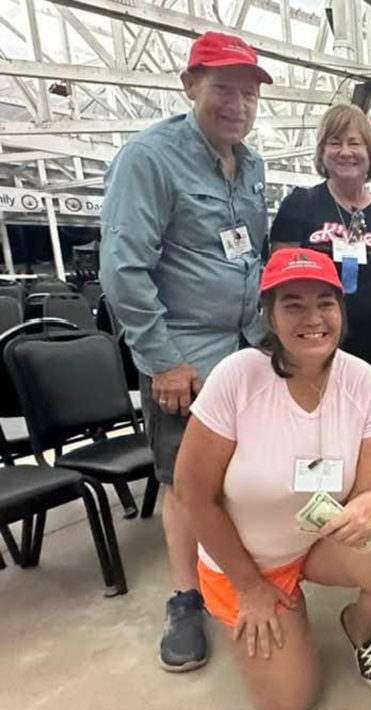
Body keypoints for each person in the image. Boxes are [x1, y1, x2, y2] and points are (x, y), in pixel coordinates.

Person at [174, 247, 371, 710]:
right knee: (288, 706)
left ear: (341, 309)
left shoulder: (367, 383)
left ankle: (357, 624)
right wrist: (249, 586)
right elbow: (194, 496)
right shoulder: (237, 378)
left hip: (317, 541)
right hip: (246, 561)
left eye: (325, 302)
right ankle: (261, 611)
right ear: (269, 314)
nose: (313, 318)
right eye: (293, 304)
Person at [99, 31, 272, 673]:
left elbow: (249, 254)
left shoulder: (249, 166)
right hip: (185, 359)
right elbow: (123, 268)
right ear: (189, 83)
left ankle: (240, 572)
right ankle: (184, 597)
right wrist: (162, 358)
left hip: (244, 349)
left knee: (238, 474)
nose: (238, 104)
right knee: (184, 480)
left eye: (249, 93)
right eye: (224, 88)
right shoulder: (149, 159)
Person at [270, 103, 371, 424]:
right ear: (322, 152)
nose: (345, 152)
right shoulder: (300, 206)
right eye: (334, 142)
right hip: (311, 353)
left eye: (355, 143)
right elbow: (275, 283)